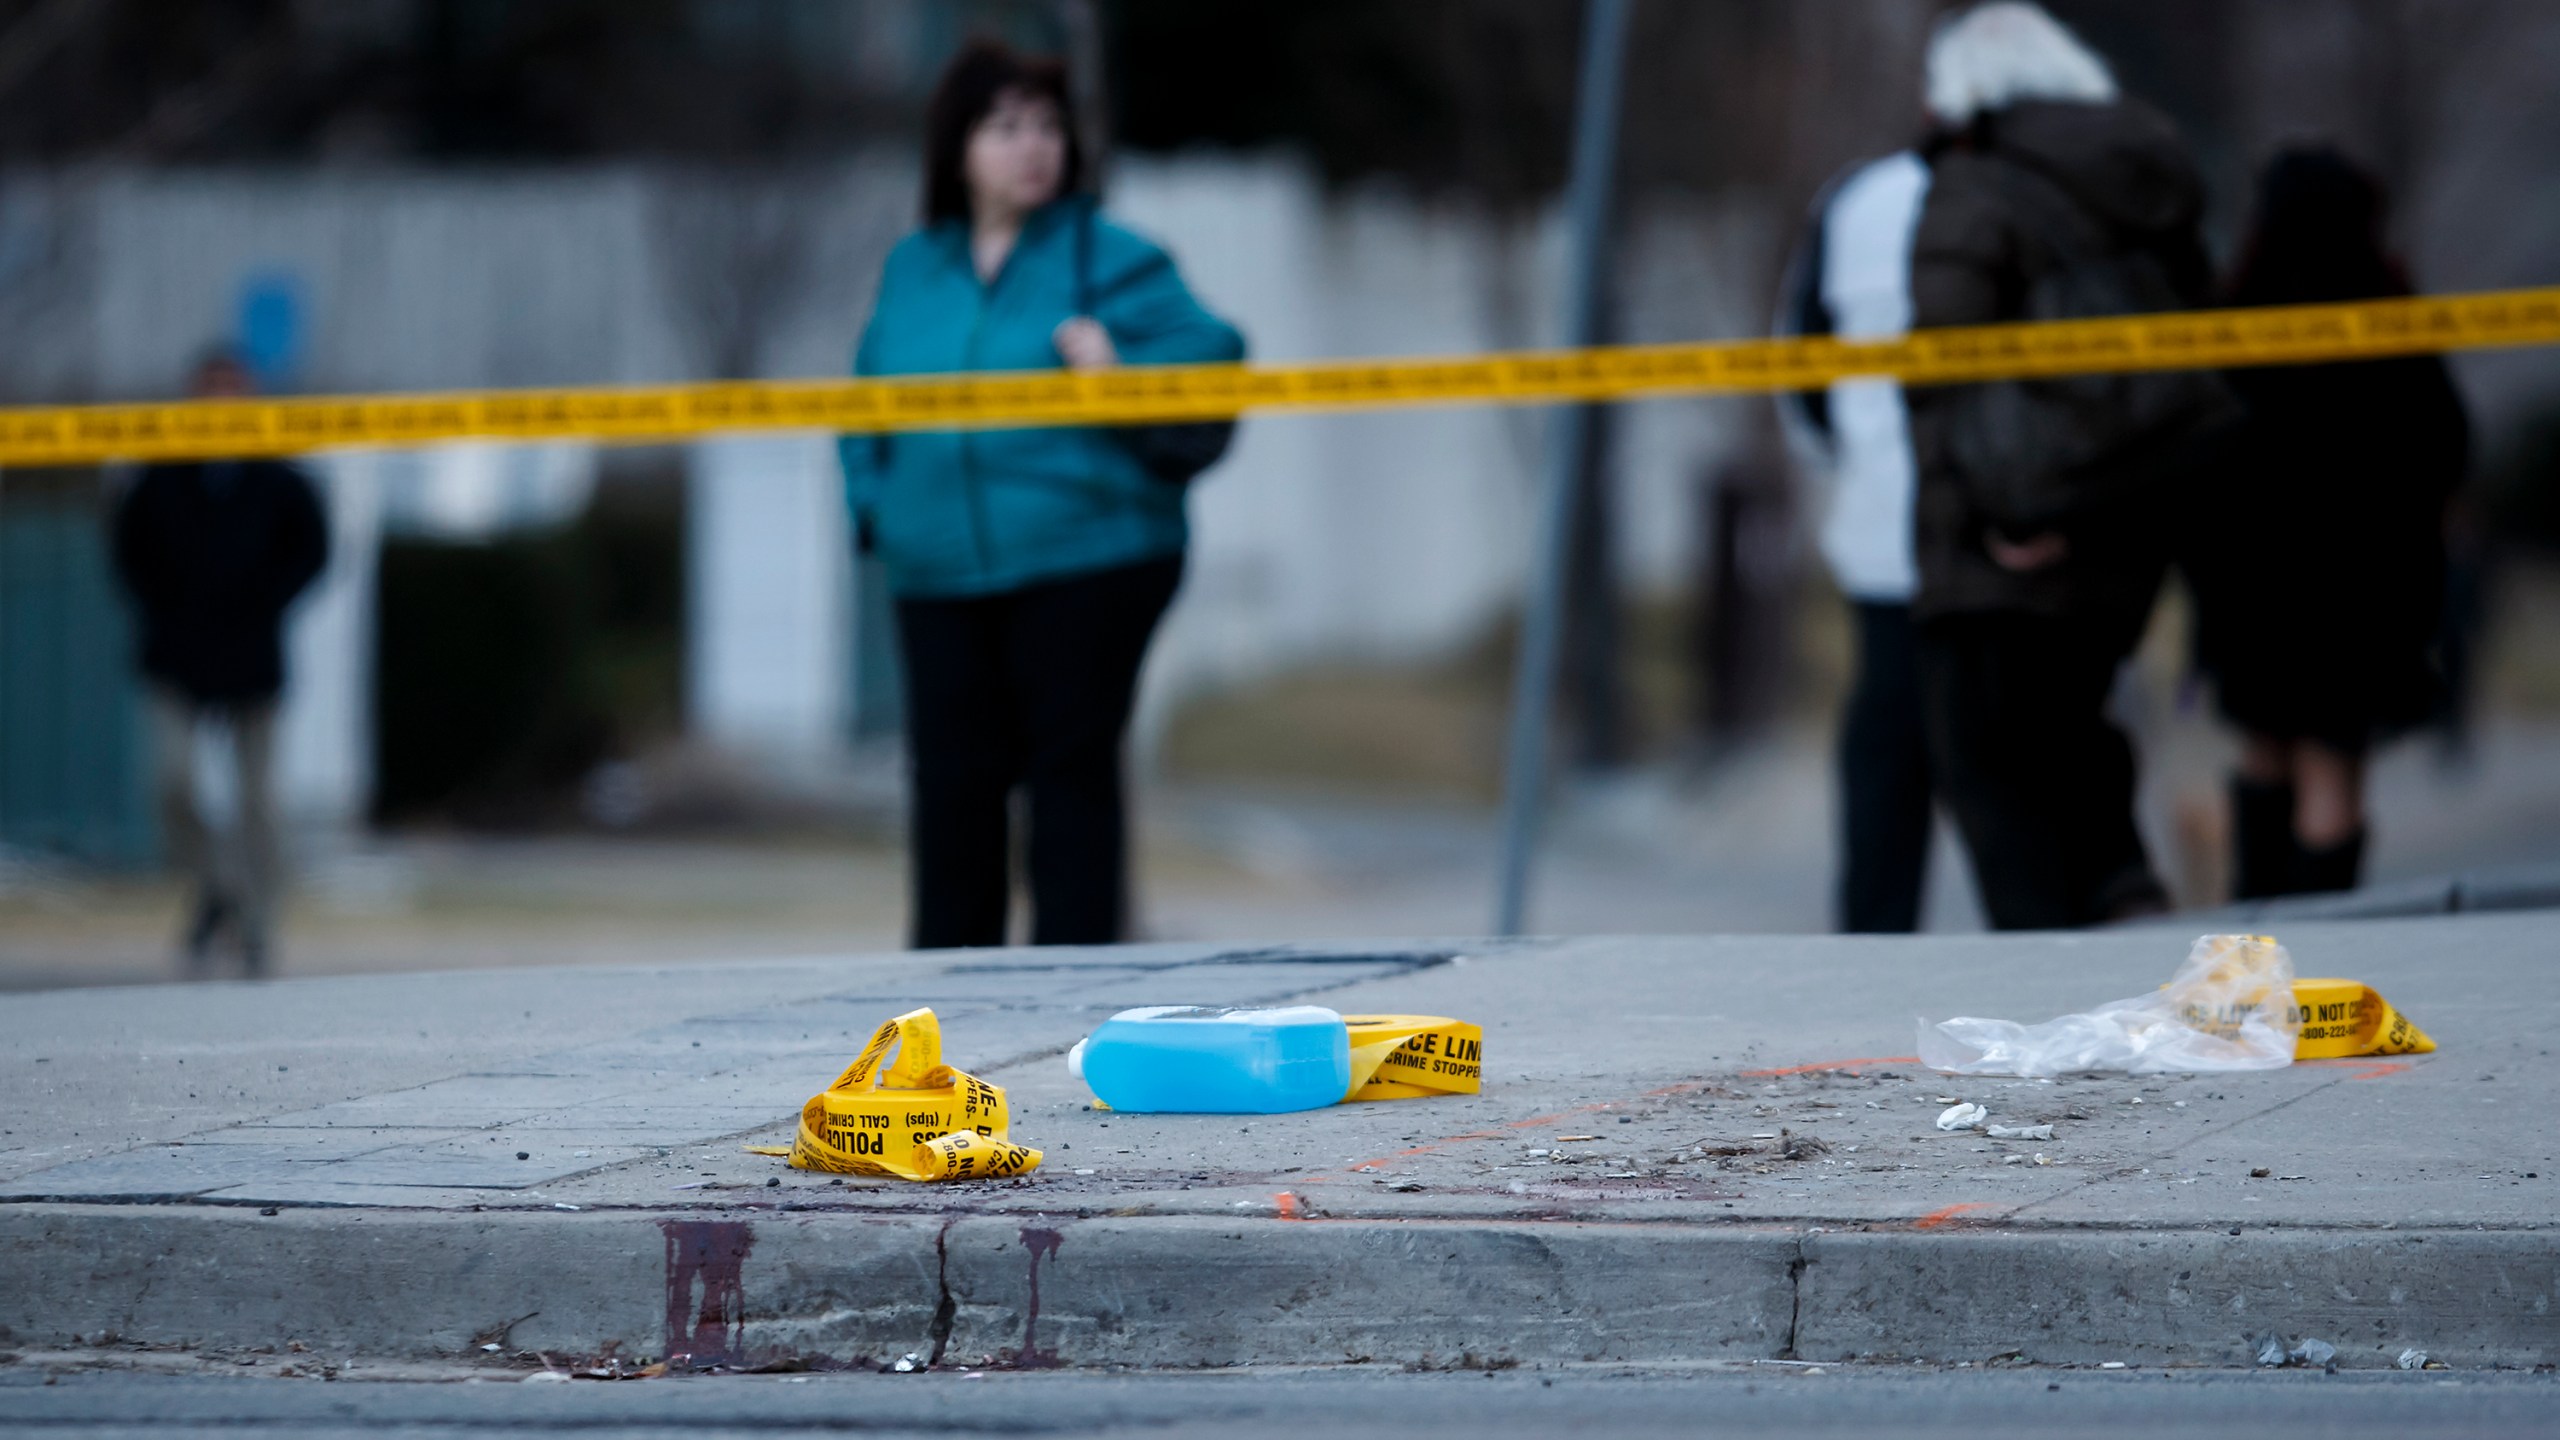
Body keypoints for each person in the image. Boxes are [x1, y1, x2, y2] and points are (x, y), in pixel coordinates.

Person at [840, 40, 1244, 949]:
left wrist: (1122, 368)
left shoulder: (1110, 255)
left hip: (1089, 560)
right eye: (1006, 125)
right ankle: (943, 1018)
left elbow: (1215, 352)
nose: (1034, 147)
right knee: (951, 791)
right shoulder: (915, 266)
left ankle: (1074, 1010)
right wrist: (876, 511)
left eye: (1049, 126)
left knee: (1068, 780)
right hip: (936, 571)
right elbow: (861, 404)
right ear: (957, 146)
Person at [1901, 2, 2230, 929]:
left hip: (2002, 539)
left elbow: (1940, 372)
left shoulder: (1976, 185)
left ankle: (2049, 997)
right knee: (2081, 740)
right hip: (2126, 521)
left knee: (1991, 771)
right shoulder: (2152, 176)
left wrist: (1995, 519)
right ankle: (2130, 910)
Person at [2186, 148, 2470, 898]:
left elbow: (2194, 454)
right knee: (2331, 773)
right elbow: (2446, 447)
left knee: (2265, 755)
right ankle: (2311, 950)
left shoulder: (2233, 321)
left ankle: (2257, 941)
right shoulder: (2391, 316)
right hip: (2362, 589)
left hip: (2253, 586)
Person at [110, 349, 330, 975]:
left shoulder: (278, 475)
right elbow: (128, 550)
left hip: (253, 654)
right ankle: (218, 889)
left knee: (260, 800)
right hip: (176, 656)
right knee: (171, 781)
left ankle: (258, 926)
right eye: (210, 386)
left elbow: (313, 548)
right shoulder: (160, 472)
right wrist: (168, 612)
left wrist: (265, 600)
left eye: (232, 387)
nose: (220, 399)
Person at [1780, 146, 1938, 933]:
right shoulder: (2049, 185)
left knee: (1886, 749)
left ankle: (1875, 950)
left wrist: (1856, 458)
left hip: (1883, 531)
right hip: (2012, 542)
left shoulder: (1857, 196)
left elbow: (1800, 357)